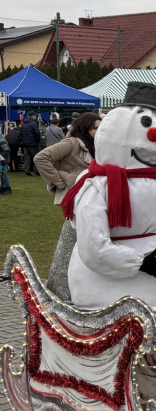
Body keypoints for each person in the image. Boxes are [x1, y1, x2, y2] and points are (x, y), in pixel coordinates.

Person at [34, 112, 102, 302]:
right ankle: (61, 290)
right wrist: (60, 182)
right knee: (72, 244)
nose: (99, 131)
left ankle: (77, 287)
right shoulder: (72, 143)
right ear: (85, 128)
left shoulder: (95, 145)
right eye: (95, 127)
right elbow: (41, 158)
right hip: (74, 197)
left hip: (88, 197)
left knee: (83, 242)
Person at [20, 111, 41, 175]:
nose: (36, 116)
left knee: (27, 157)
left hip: (25, 143)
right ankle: (36, 170)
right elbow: (37, 133)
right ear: (32, 116)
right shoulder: (33, 124)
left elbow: (21, 134)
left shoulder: (23, 124)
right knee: (36, 157)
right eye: (35, 115)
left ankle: (27, 170)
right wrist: (38, 141)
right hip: (33, 143)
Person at [0, 130, 11, 195]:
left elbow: (6, 150)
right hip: (2, 159)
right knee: (2, 174)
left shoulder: (1, 140)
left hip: (4, 159)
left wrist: (1, 158)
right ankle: (3, 188)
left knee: (3, 174)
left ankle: (7, 188)